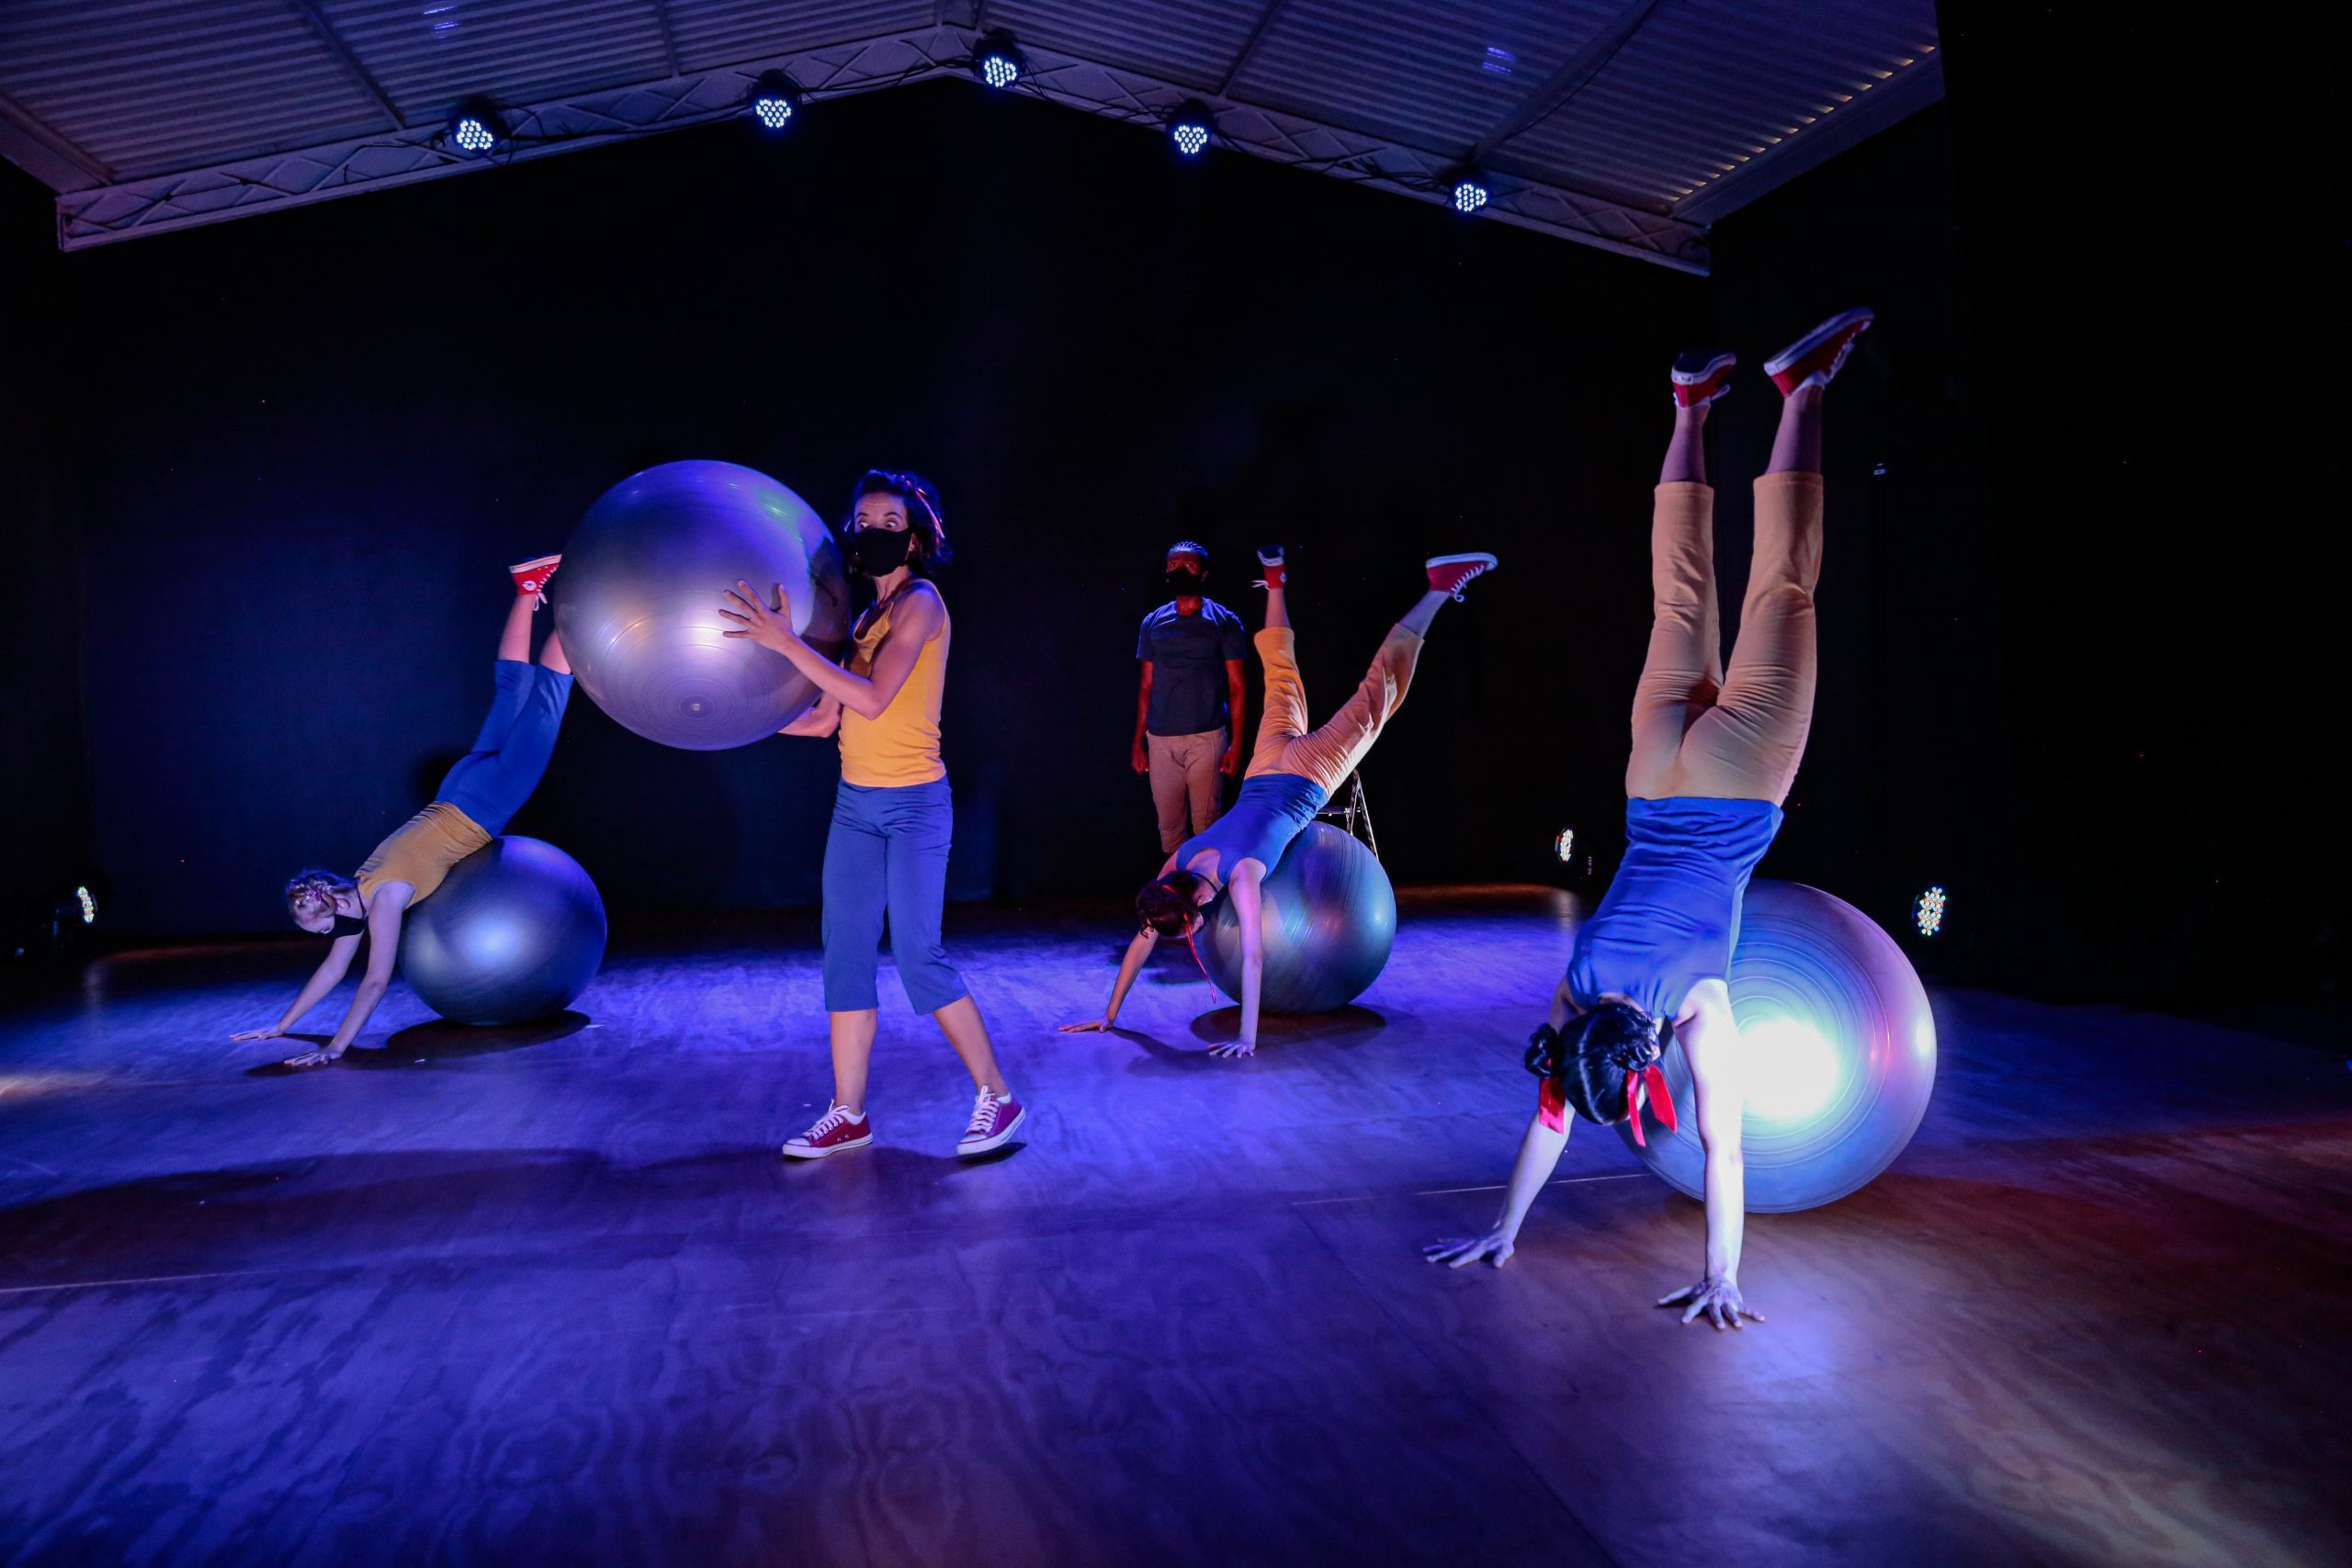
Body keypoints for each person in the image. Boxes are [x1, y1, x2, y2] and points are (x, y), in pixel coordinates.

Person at [1422, 308, 1873, 1331]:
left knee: (1782, 589)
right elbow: (1549, 1116)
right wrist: (1504, 1225)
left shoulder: (1698, 1002)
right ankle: (1690, 407)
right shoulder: (1573, 994)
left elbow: (1725, 1147)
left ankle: (1802, 390)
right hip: (1650, 774)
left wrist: (1724, 1276)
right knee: (1680, 601)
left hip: (1739, 781)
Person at [1063, 545, 1497, 1056]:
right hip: (1263, 766)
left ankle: (1439, 589)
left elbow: (1253, 959)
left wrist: (1246, 1038)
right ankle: (1274, 584)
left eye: (1188, 932)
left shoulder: (1242, 875)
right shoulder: (1176, 864)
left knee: (1379, 694)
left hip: (1309, 775)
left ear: (1193, 909)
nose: (1193, 936)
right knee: (1280, 675)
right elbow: (1143, 939)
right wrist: (1109, 1015)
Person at [719, 468, 1025, 1160]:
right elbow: (824, 717)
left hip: (916, 805)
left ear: (915, 537)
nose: (874, 532)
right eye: (864, 522)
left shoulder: (922, 603)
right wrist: (725, 718)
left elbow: (875, 698)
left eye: (890, 522)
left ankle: (998, 1096)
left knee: (919, 957)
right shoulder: (863, 619)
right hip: (856, 806)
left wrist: (786, 643)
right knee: (847, 957)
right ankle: (848, 1112)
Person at [235, 555, 573, 1068]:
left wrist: (335, 1048)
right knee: (513, 691)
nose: (331, 940)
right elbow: (332, 971)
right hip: (456, 786)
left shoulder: (386, 899)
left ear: (333, 910)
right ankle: (527, 590)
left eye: (324, 931)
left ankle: (583, 608)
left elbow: (374, 981)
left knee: (547, 696)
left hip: (484, 802)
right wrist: (282, 1027)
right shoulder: (361, 882)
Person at [1133, 541, 1249, 854]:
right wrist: (1138, 741)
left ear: (1204, 573)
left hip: (1206, 736)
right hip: (1160, 739)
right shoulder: (1153, 622)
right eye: (1173, 563)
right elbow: (1146, 686)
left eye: (1188, 563)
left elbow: (1238, 686)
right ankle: (1179, 887)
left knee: (1206, 825)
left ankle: (1207, 885)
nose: (1179, 568)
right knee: (1169, 828)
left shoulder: (1223, 621)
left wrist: (1237, 743)